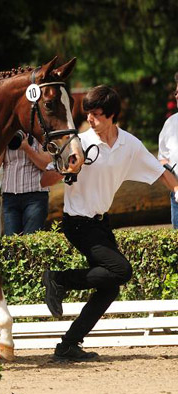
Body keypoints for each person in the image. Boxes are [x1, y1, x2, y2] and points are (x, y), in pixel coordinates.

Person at [40, 85, 178, 362]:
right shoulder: (79, 142)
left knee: (110, 286)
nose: (90, 119)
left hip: (101, 224)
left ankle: (68, 345)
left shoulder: (129, 145)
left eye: (97, 114)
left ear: (112, 115)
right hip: (77, 222)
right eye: (88, 114)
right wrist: (67, 168)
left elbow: (160, 171)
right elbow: (45, 180)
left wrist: (177, 190)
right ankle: (58, 279)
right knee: (121, 271)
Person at [1, 130, 52, 235]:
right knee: (11, 244)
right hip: (10, 196)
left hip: (35, 196)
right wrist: (2, 141)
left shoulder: (38, 134)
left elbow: (46, 165)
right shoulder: (7, 134)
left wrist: (27, 148)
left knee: (30, 241)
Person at [158, 72, 178, 229]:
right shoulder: (170, 124)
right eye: (177, 92)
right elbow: (162, 159)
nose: (177, 96)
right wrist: (175, 188)